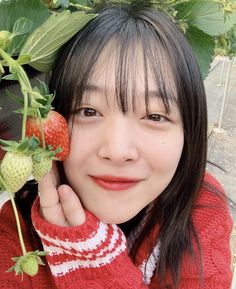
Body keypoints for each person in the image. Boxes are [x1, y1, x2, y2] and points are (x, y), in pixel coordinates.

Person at [0, 3, 233, 289]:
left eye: (155, 115)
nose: (118, 150)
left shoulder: (200, 212)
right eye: (88, 111)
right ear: (56, 114)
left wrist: (93, 261)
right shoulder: (17, 231)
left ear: (189, 131)